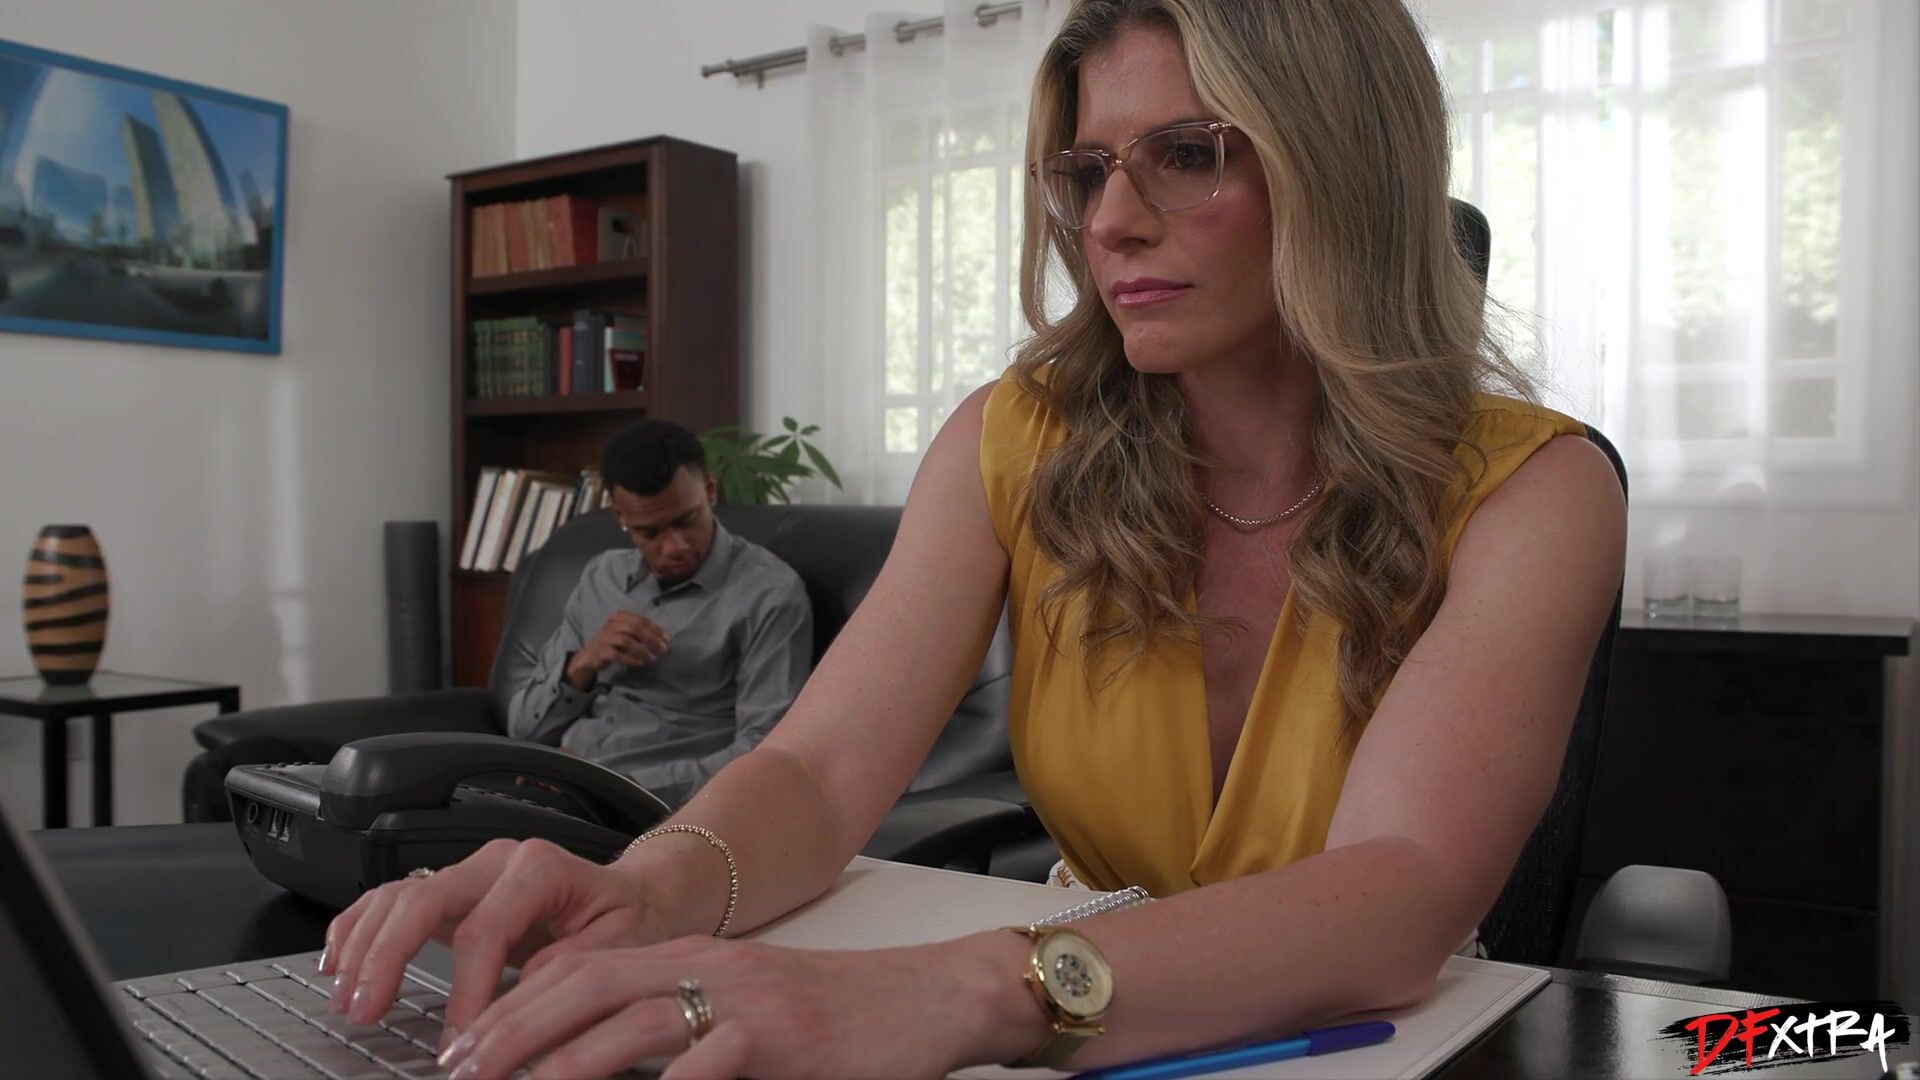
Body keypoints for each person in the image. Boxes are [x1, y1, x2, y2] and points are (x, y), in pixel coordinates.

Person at [320, 2, 1626, 1077]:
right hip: (1070, 1031)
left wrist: (938, 996)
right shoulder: (1016, 439)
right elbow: (821, 772)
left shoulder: (1536, 490)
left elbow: (1399, 891)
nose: (1108, 223)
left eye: (1187, 153)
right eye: (1088, 171)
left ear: (1344, 167)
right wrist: (646, 890)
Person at [503, 418, 813, 808]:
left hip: (653, 805)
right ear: (620, 515)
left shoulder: (769, 594)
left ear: (710, 490)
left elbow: (763, 751)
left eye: (687, 520)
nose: (675, 547)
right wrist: (583, 664)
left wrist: (613, 787)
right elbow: (524, 731)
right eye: (649, 532)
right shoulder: (602, 577)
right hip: (557, 786)